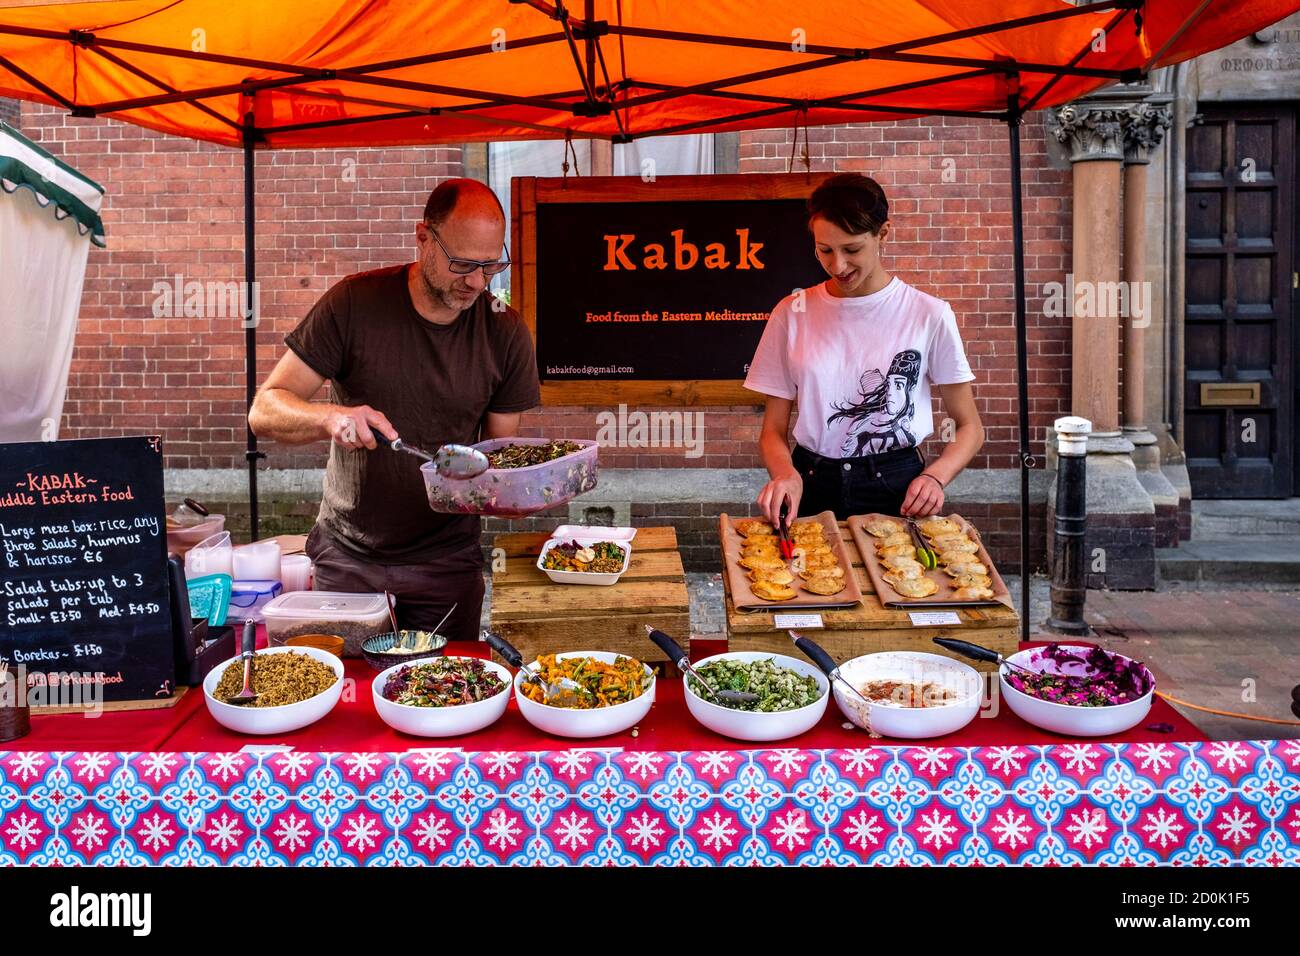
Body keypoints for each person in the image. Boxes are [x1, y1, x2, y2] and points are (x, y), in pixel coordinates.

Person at [248, 179, 539, 641]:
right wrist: (331, 418)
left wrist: (512, 492)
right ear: (423, 236)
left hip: (447, 564)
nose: (477, 283)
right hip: (348, 558)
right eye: (463, 264)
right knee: (343, 697)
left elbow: (495, 456)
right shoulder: (353, 304)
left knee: (442, 693)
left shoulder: (505, 331)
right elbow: (264, 410)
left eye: (491, 266)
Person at [744, 172, 984, 526]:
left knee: (900, 581)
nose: (837, 265)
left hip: (896, 483)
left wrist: (936, 476)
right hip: (810, 479)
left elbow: (970, 427)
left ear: (883, 233)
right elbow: (772, 431)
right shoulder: (791, 313)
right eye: (824, 250)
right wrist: (785, 474)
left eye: (851, 249)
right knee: (803, 579)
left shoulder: (929, 314)